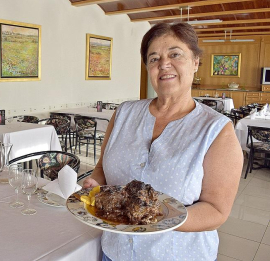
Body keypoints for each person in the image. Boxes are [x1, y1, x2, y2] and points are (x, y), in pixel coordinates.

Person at [83, 22, 243, 261]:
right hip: (114, 252)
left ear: (195, 62)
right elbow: (102, 169)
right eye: (154, 58)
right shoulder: (124, 113)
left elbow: (217, 210)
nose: (164, 64)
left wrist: (154, 220)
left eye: (175, 54)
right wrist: (94, 184)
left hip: (176, 254)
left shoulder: (217, 130)